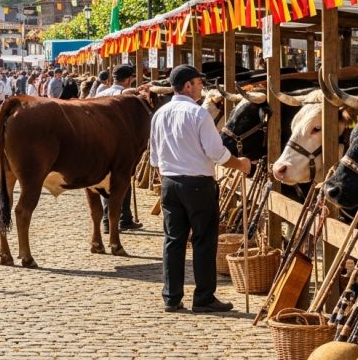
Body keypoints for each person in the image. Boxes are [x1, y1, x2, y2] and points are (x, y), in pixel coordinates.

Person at [150, 64, 252, 313]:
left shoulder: (160, 114)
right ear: (187, 86)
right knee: (203, 240)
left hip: (170, 183)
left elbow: (154, 157)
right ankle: (204, 297)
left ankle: (171, 297)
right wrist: (241, 164)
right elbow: (216, 153)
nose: (201, 87)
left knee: (173, 240)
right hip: (197, 184)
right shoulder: (198, 114)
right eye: (198, 83)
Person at [97, 65, 142, 233]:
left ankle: (123, 218)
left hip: (100, 144)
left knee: (106, 183)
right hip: (120, 146)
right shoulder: (127, 97)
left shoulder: (100, 94)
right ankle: (114, 221)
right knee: (121, 181)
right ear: (129, 79)